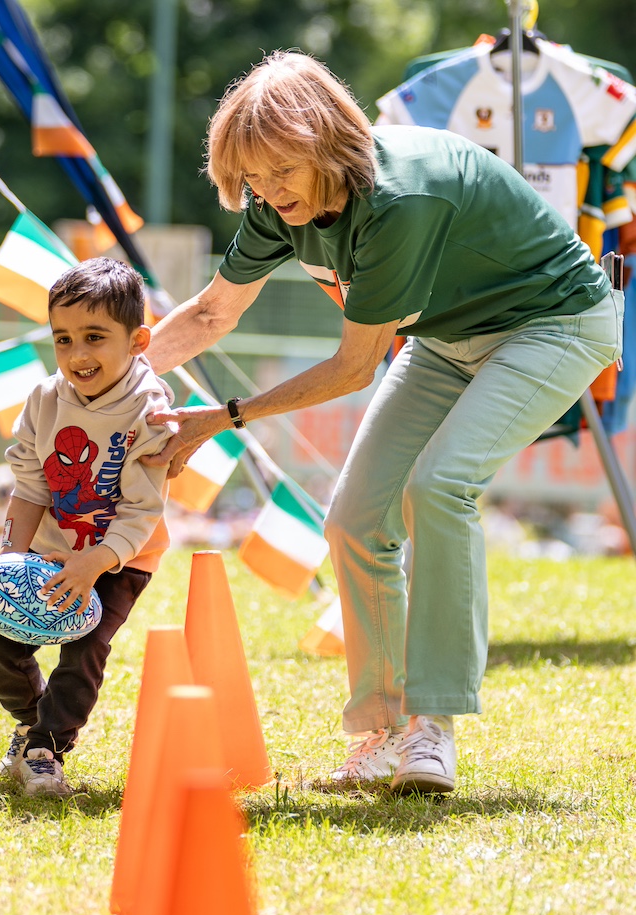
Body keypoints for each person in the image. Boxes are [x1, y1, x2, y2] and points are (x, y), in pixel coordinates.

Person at [142, 50, 623, 794]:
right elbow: (211, 311)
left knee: (438, 485)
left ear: (326, 143)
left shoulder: (399, 200)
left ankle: (433, 729)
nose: (268, 194)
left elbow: (353, 367)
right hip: (448, 335)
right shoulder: (278, 209)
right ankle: (381, 731)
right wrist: (107, 383)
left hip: (553, 324)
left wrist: (224, 417)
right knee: (355, 520)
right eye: (253, 181)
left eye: (281, 172)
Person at [0, 257, 174, 796]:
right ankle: (32, 722)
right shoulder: (44, 400)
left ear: (137, 341)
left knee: (83, 647)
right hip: (46, 553)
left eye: (94, 337)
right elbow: (32, 486)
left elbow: (141, 510)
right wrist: (11, 558)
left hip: (119, 558)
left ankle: (45, 750)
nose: (77, 355)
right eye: (63, 339)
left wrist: (96, 562)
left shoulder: (147, 411)